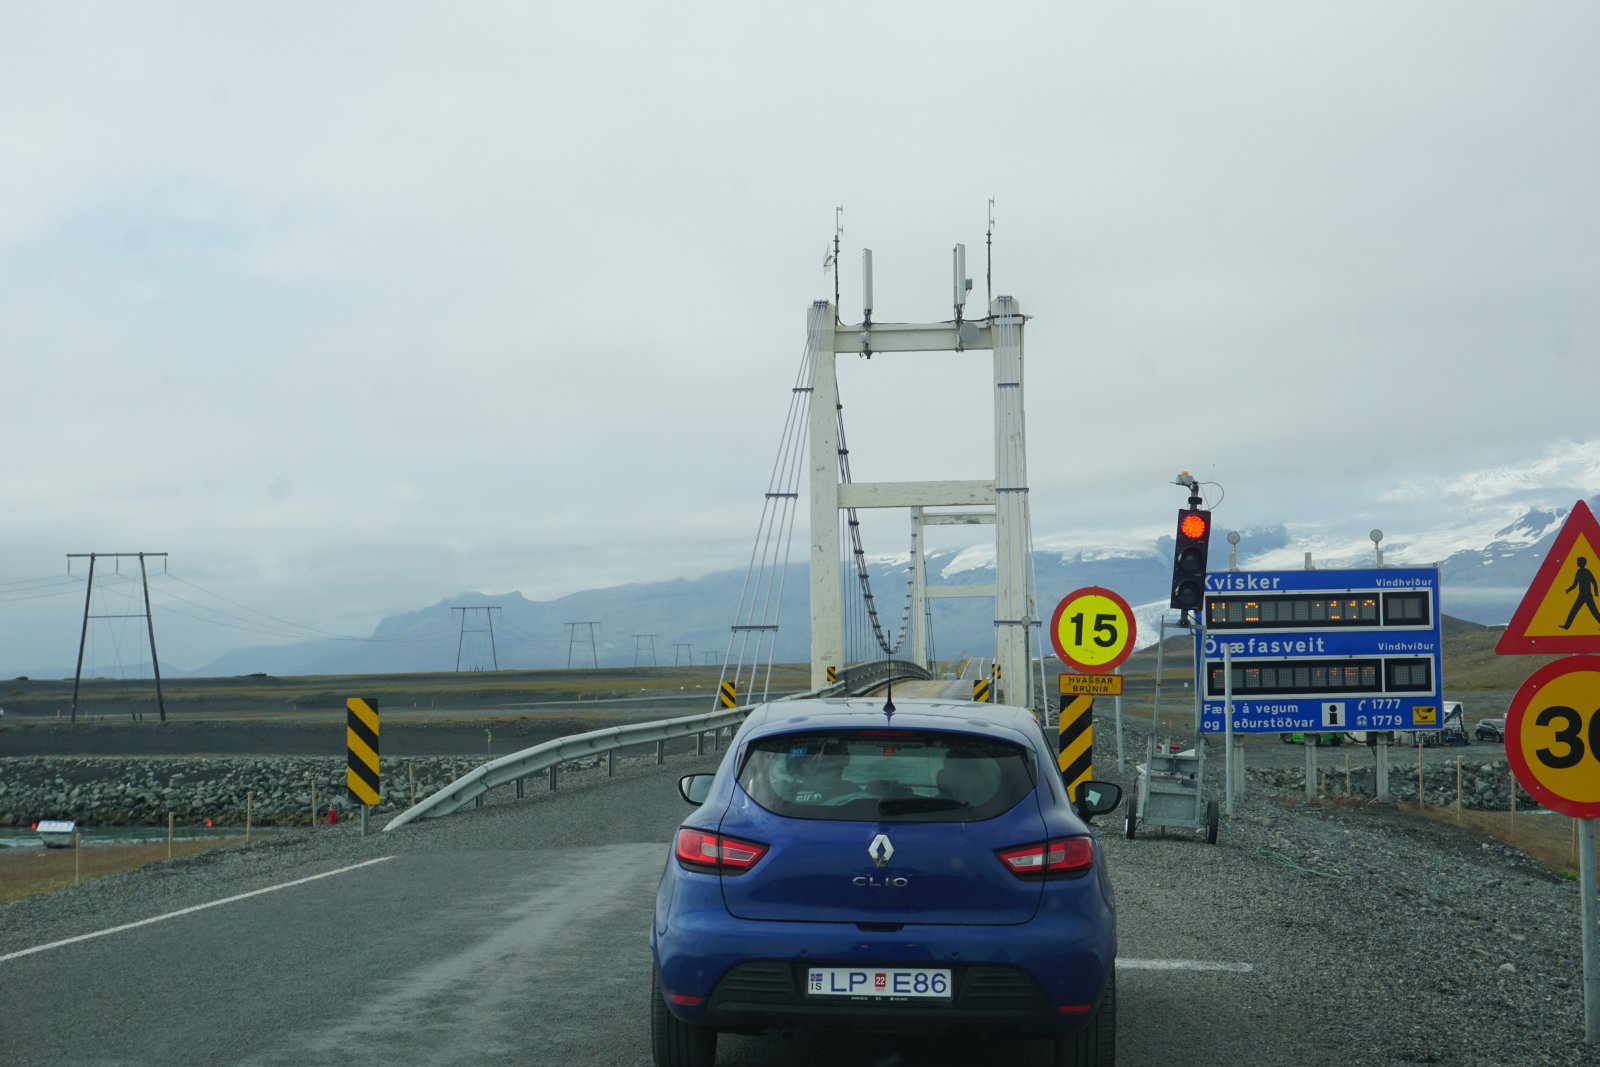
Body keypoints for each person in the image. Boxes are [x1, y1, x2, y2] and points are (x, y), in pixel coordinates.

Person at [1561, 556, 1600, 630]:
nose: (1577, 563)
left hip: (1587, 595)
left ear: (1581, 563)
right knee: (1574, 610)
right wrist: (1568, 590)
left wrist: (1596, 592)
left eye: (1578, 561)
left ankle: (1567, 626)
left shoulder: (1585, 572)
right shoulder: (1580, 572)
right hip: (1582, 595)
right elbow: (1575, 584)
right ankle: (1566, 626)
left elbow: (1594, 582)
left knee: (1594, 612)